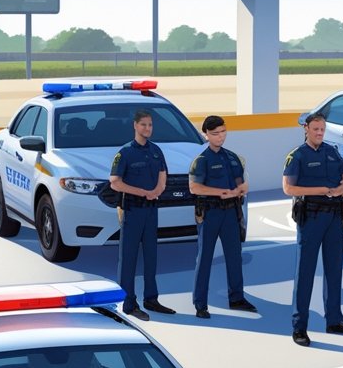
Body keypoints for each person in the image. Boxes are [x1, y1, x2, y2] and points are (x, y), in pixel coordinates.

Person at [283, 113, 343, 347]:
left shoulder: (332, 152)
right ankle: (299, 327)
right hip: (311, 217)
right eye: (315, 129)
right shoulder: (298, 156)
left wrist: (341, 189)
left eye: (322, 129)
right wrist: (323, 190)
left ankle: (334, 320)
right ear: (306, 129)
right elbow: (288, 188)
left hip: (334, 216)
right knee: (305, 273)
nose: (319, 133)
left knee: (334, 270)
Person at [109, 110, 175, 321]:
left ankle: (151, 299)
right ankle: (128, 304)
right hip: (132, 210)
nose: (148, 128)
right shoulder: (125, 153)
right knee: (128, 258)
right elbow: (115, 182)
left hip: (151, 210)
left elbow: (163, 175)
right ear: (135, 126)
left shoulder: (156, 151)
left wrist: (157, 191)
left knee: (151, 256)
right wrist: (143, 193)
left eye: (150, 125)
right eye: (144, 125)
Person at [189, 115, 254, 319]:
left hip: (231, 212)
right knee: (205, 258)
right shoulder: (201, 161)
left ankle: (237, 298)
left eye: (223, 132)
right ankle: (200, 303)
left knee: (234, 256)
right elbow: (194, 187)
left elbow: (242, 183)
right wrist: (220, 192)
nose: (220, 137)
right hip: (210, 213)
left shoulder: (233, 157)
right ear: (206, 135)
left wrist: (240, 190)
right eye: (215, 133)